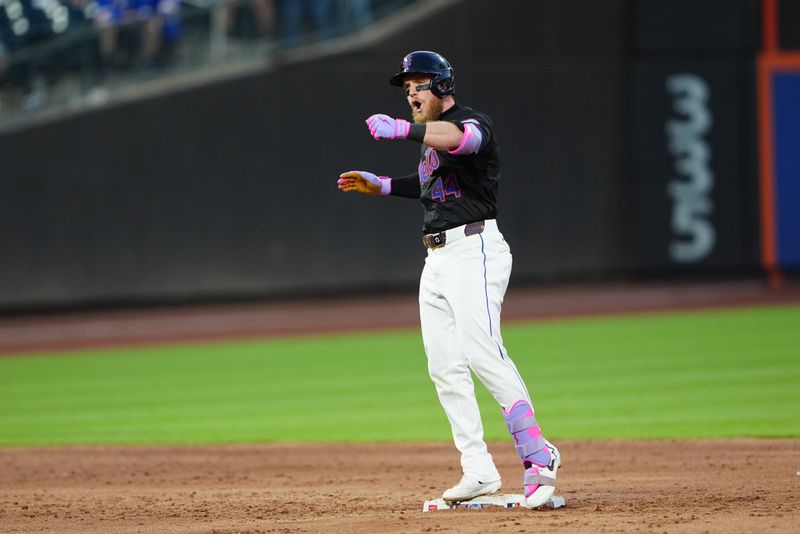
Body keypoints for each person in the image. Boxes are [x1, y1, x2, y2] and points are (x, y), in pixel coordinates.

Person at [337, 50, 561, 507]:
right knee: (444, 368)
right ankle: (478, 469)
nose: (412, 95)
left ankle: (539, 457)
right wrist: (380, 184)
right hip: (436, 258)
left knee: (484, 354)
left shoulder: (472, 123)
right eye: (407, 89)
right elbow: (429, 185)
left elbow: (462, 141)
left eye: (420, 85)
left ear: (442, 86)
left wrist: (403, 130)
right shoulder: (429, 140)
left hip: (474, 248)